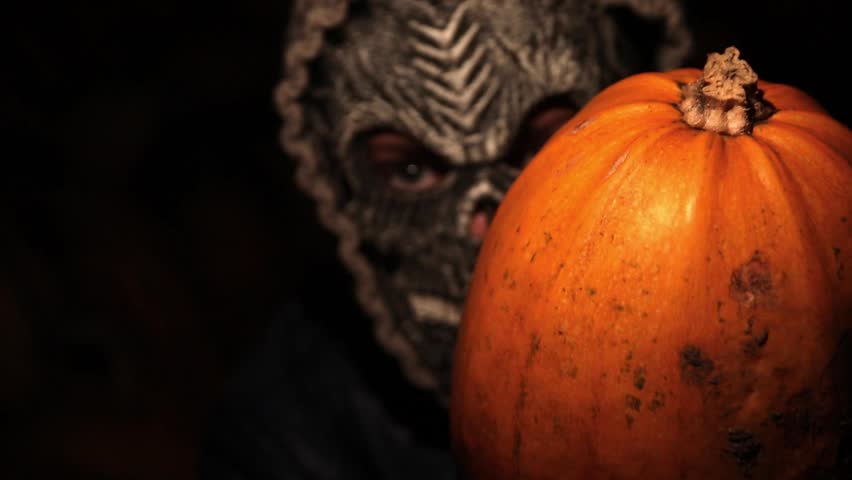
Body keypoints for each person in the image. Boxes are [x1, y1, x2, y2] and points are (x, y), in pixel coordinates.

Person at [201, 1, 692, 478]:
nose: (488, 223)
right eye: (411, 171)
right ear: (342, 190)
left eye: (542, 142)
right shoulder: (284, 433)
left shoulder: (743, 334)